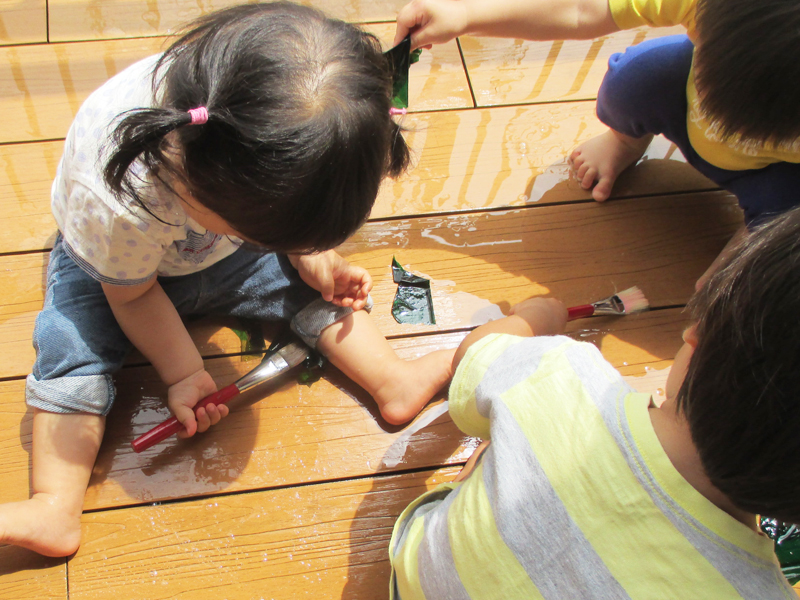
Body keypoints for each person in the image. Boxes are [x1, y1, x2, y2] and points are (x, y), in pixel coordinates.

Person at [1, 2, 454, 558]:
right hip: (116, 271)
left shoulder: (246, 126)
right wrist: (184, 371)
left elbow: (280, 203)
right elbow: (133, 296)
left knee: (315, 288)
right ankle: (54, 504)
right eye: (276, 234)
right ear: (203, 188)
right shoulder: (115, 201)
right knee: (72, 340)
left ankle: (392, 380)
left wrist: (312, 256)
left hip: (218, 242)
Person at [388, 206, 800, 598]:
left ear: (697, 335)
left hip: (419, 581)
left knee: (511, 435)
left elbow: (471, 356)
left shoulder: (563, 375)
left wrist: (533, 319)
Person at [394, 0, 800, 227]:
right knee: (635, 77)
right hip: (680, 105)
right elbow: (583, 10)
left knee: (779, 237)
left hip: (771, 176)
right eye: (705, 51)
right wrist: (465, 17)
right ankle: (624, 142)